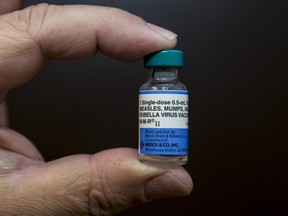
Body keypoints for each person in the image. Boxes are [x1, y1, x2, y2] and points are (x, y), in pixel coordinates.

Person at [0, 1, 193, 215]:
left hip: (171, 152)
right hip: (152, 151)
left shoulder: (175, 89)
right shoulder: (149, 88)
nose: (163, 75)